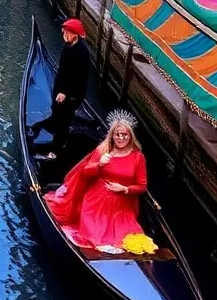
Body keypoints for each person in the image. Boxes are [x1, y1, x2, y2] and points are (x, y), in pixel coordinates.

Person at [44, 110, 154, 255]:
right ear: (112, 135)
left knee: (128, 239)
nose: (120, 138)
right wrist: (99, 164)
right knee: (94, 238)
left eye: (124, 135)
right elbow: (84, 172)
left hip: (121, 208)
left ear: (130, 136)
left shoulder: (138, 157)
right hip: (95, 203)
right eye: (117, 134)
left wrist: (125, 189)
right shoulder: (103, 151)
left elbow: (142, 186)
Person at [29, 18, 90, 159]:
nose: (64, 35)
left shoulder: (81, 52)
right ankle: (39, 127)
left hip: (72, 94)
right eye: (63, 32)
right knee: (57, 113)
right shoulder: (69, 45)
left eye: (66, 33)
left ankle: (56, 151)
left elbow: (78, 78)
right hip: (61, 89)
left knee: (63, 121)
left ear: (75, 34)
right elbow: (64, 70)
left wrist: (66, 94)